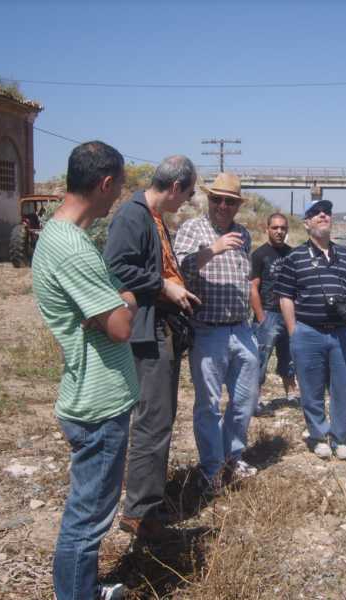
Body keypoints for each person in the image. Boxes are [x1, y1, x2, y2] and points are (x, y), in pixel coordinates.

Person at [31, 141, 137, 600]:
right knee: (88, 519)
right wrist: (123, 304)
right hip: (97, 404)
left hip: (93, 395)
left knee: (90, 512)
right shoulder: (72, 248)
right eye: (117, 190)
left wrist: (116, 303)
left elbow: (114, 301)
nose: (116, 199)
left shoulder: (62, 236)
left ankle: (85, 588)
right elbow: (120, 323)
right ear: (105, 183)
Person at [104, 155, 199, 541]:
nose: (187, 201)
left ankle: (147, 504)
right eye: (188, 194)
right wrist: (165, 287)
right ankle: (140, 513)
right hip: (148, 332)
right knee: (153, 421)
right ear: (175, 187)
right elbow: (115, 267)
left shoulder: (153, 217)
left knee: (159, 418)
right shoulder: (133, 217)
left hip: (161, 328)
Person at [173, 172, 259, 491]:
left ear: (237, 205)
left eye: (230, 201)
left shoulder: (245, 235)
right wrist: (213, 249)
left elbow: (245, 279)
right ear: (208, 199)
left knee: (244, 400)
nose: (223, 205)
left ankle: (232, 458)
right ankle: (211, 468)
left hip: (241, 328)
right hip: (208, 331)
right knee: (208, 404)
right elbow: (179, 269)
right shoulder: (192, 229)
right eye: (217, 199)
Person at [275, 199, 346, 461]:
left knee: (343, 388)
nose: (323, 215)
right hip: (308, 332)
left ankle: (340, 438)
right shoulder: (295, 257)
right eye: (316, 213)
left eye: (326, 212)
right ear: (306, 224)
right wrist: (294, 332)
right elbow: (285, 297)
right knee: (311, 389)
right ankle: (318, 436)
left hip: (342, 334)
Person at [250, 212, 299, 413]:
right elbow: (253, 287)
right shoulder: (259, 255)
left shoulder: (293, 254)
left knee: (289, 357)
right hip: (267, 314)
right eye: (275, 228)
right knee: (260, 359)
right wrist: (261, 317)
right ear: (267, 229)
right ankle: (255, 399)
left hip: (289, 315)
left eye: (283, 228)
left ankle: (292, 394)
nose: (279, 232)